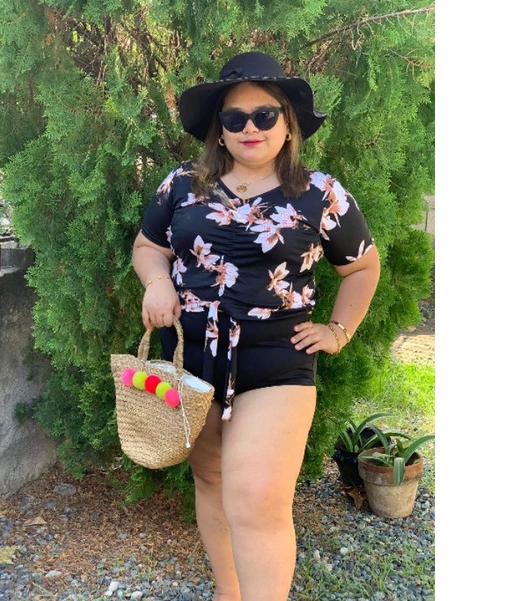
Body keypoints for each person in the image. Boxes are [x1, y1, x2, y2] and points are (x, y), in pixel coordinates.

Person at [132, 51, 380, 601]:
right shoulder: (182, 184)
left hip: (276, 359)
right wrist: (157, 281)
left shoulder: (320, 193)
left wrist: (339, 330)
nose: (250, 127)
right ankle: (229, 592)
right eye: (235, 117)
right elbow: (148, 246)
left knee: (257, 499)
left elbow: (363, 266)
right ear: (219, 129)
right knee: (211, 480)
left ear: (288, 124)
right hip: (191, 359)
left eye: (265, 115)